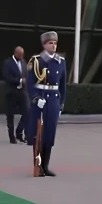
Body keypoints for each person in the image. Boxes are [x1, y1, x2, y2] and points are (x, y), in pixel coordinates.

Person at [27, 32, 67, 176]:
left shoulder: (60, 62)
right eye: (50, 43)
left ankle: (45, 165)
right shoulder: (36, 61)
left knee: (50, 133)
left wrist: (61, 103)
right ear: (44, 45)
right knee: (39, 134)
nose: (54, 45)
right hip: (41, 100)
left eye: (55, 43)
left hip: (53, 100)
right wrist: (36, 98)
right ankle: (37, 165)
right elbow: (30, 84)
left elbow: (63, 85)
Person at [4, 45, 28, 144]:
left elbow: (26, 74)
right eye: (20, 54)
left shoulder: (23, 62)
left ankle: (19, 131)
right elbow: (6, 76)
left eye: (23, 55)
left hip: (22, 91)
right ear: (15, 53)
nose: (22, 56)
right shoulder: (8, 63)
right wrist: (19, 81)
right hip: (11, 91)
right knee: (10, 115)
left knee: (27, 112)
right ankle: (11, 136)